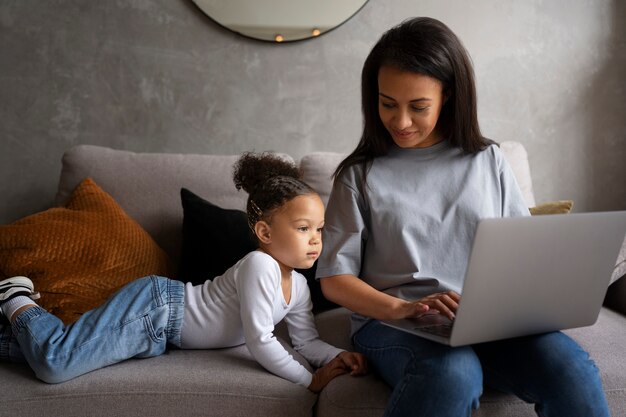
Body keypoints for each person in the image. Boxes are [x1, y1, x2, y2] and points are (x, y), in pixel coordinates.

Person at [315, 16, 609, 417]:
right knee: (453, 371)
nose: (400, 121)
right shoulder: (359, 175)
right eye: (388, 104)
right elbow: (334, 279)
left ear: (448, 95)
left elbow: (524, 256)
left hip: (488, 321)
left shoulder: (489, 160)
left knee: (572, 370)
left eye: (418, 107)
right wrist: (402, 309)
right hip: (393, 322)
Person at [0, 152, 367, 392]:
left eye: (319, 230)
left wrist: (336, 356)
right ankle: (16, 295)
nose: (315, 240)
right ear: (265, 233)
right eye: (303, 228)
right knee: (55, 363)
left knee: (43, 354)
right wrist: (309, 381)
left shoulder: (300, 287)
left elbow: (305, 342)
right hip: (158, 307)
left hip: (160, 336)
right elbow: (260, 341)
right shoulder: (260, 265)